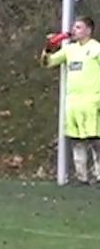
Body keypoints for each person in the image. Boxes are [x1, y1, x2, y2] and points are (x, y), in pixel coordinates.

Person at [42, 17, 100, 182]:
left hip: (92, 101)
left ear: (89, 30)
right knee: (76, 140)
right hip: (73, 103)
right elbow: (48, 63)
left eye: (79, 27)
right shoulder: (70, 50)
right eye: (74, 27)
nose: (74, 31)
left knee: (95, 138)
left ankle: (98, 173)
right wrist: (48, 49)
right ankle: (82, 177)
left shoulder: (96, 49)